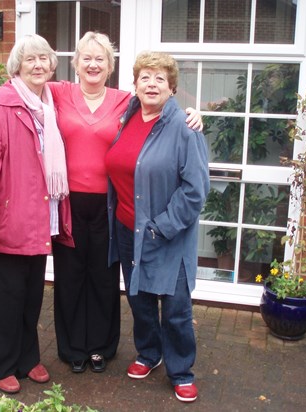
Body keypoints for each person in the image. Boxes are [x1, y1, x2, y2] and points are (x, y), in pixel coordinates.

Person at [0, 32, 203, 374]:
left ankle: (101, 347)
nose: (93, 64)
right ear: (76, 64)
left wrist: (194, 113)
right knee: (69, 277)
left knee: (104, 278)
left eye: (101, 59)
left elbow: (162, 104)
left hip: (109, 206)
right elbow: (18, 88)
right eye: (86, 58)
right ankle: (72, 349)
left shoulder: (127, 100)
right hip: (66, 203)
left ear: (110, 67)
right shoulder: (57, 92)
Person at [0, 34, 74, 394]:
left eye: (44, 58)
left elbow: (99, 94)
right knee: (4, 302)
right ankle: (1, 365)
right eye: (30, 60)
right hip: (6, 223)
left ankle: (28, 359)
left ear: (52, 65)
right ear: (17, 66)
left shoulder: (50, 100)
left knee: (30, 298)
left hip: (40, 220)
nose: (38, 65)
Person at [105, 51, 210, 403]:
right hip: (127, 229)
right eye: (145, 77)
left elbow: (195, 191)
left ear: (172, 88)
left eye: (160, 78)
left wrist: (162, 226)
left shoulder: (184, 127)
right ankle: (150, 354)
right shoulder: (126, 116)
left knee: (176, 307)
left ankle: (181, 371)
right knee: (139, 300)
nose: (151, 84)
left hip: (168, 234)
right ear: (134, 85)